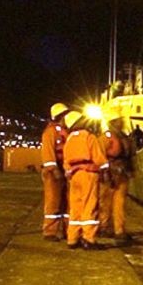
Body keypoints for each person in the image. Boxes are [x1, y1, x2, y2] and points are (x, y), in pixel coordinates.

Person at [61, 110, 107, 250]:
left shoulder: (69, 139)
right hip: (89, 174)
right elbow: (98, 157)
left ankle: (72, 238)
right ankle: (89, 239)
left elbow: (66, 160)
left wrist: (69, 172)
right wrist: (105, 168)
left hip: (74, 176)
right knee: (89, 205)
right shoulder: (88, 136)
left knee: (75, 207)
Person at [98, 117, 134, 245]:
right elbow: (100, 156)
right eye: (119, 122)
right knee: (105, 202)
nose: (121, 124)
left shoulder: (122, 137)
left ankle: (119, 230)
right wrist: (105, 172)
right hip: (111, 173)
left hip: (120, 172)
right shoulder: (107, 137)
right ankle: (104, 227)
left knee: (119, 203)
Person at [39, 103, 70, 242]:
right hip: (53, 171)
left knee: (67, 202)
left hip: (65, 169)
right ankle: (50, 231)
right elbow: (48, 154)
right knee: (53, 201)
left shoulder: (67, 131)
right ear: (60, 116)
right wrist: (54, 169)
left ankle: (66, 230)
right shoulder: (50, 132)